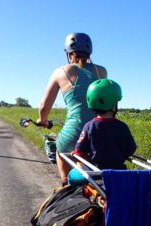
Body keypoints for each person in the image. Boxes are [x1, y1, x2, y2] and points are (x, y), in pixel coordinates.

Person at [37, 33, 107, 185]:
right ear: (90, 53)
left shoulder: (60, 72)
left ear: (68, 54)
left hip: (73, 132)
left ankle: (65, 186)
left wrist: (42, 121)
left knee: (61, 149)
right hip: (99, 132)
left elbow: (43, 106)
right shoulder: (101, 72)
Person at [73, 79, 136, 170]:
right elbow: (131, 149)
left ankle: (65, 182)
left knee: (71, 176)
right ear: (113, 105)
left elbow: (79, 151)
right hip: (118, 172)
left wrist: (76, 153)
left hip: (95, 172)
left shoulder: (89, 126)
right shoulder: (122, 127)